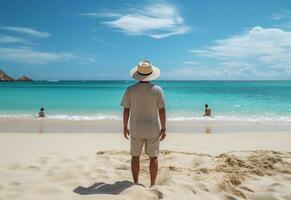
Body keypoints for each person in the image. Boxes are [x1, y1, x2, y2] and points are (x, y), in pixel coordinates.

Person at [121, 60, 166, 187]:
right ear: (151, 74)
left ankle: (136, 182)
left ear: (138, 74)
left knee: (135, 156)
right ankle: (152, 184)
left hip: (136, 128)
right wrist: (164, 128)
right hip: (152, 129)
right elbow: (162, 110)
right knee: (153, 157)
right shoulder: (157, 90)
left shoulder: (130, 89)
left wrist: (125, 127)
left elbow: (126, 109)